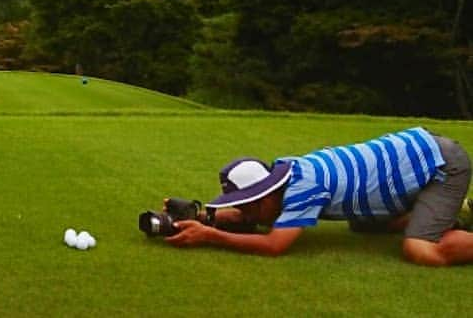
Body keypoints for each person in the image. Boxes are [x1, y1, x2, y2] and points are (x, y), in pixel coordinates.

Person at [164, 126, 473, 266]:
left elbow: (274, 246)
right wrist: (202, 217)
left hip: (440, 164)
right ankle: (452, 211)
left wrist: (209, 236)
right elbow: (253, 216)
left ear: (267, 194)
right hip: (415, 160)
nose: (249, 217)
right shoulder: (287, 171)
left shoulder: (305, 187)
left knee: (419, 249)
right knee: (364, 225)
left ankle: (444, 209)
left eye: (249, 207)